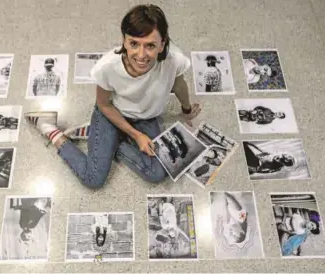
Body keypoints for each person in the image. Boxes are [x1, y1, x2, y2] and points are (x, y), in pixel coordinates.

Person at [24, 4, 201, 189]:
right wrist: (136, 135)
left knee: (157, 173)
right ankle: (50, 129)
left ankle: (102, 138)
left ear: (162, 44)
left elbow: (178, 83)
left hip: (147, 117)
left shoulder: (174, 60)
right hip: (112, 113)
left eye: (150, 45)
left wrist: (186, 109)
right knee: (93, 179)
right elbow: (104, 105)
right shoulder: (107, 67)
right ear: (124, 41)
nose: (141, 55)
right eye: (134, 44)